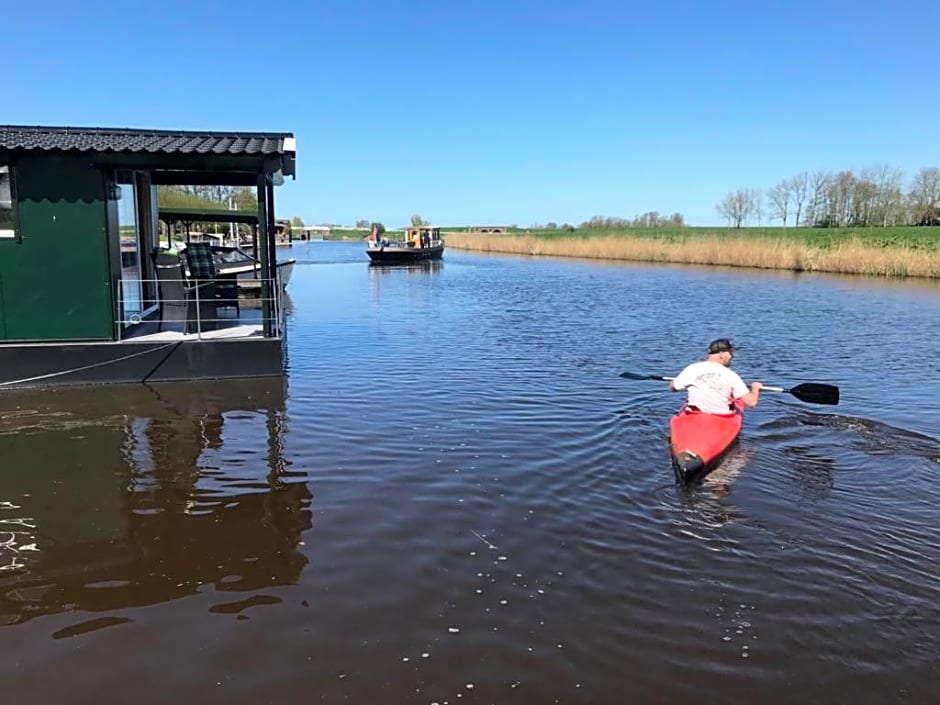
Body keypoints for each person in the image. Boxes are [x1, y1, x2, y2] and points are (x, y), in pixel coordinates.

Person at [668, 338, 762, 414]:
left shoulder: (691, 369)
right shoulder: (730, 375)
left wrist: (676, 382)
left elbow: (672, 387)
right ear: (721, 354)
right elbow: (751, 402)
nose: (732, 356)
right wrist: (755, 388)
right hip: (721, 417)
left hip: (696, 414)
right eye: (730, 353)